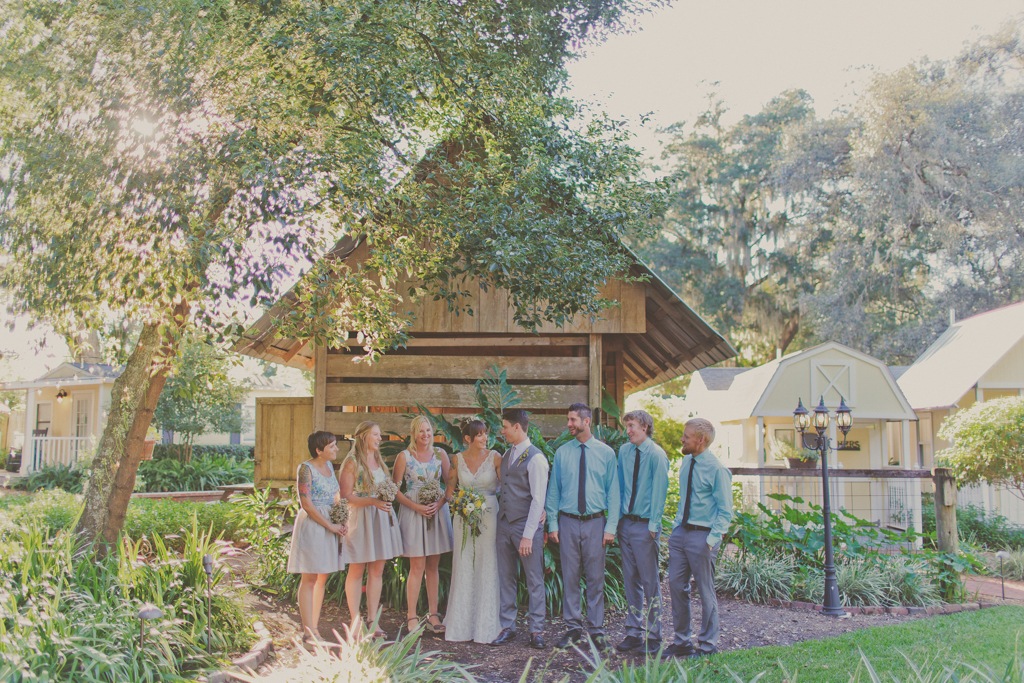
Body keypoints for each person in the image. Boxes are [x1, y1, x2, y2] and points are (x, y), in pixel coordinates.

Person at [546, 403, 620, 650]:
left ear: (586, 421)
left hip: (596, 523)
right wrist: (553, 523)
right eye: (568, 419)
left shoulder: (606, 453)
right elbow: (554, 490)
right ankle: (573, 628)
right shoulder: (562, 453)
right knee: (570, 576)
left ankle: (597, 630)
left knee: (595, 577)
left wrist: (611, 527)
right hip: (567, 522)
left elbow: (614, 492)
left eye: (573, 419)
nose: (569, 424)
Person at [665, 418, 733, 658]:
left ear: (701, 440)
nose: (682, 439)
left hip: (703, 537)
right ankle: (682, 642)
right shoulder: (686, 462)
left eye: (686, 435)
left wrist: (711, 540)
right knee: (675, 586)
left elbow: (726, 511)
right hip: (681, 534)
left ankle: (707, 645)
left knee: (705, 592)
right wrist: (675, 528)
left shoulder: (717, 469)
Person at [491, 408, 549, 650]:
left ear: (517, 427)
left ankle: (536, 630)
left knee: (534, 579)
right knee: (506, 577)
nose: (501, 431)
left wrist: (528, 535)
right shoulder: (507, 454)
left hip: (526, 528)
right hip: (503, 525)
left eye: (504, 426)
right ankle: (508, 627)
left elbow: (538, 500)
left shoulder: (536, 458)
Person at [339, 421, 404, 638]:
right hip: (361, 518)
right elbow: (347, 496)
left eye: (379, 434)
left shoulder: (377, 460)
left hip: (380, 519)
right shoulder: (352, 462)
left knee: (377, 571)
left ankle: (373, 620)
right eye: (375, 435)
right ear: (364, 436)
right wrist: (373, 502)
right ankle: (355, 619)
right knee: (357, 570)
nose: (379, 438)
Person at [614, 410, 670, 654]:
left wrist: (653, 525)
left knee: (650, 582)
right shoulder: (624, 452)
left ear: (645, 427)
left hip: (646, 526)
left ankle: (654, 635)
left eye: (632, 425)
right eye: (626, 426)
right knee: (630, 581)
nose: (628, 431)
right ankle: (634, 632)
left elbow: (660, 491)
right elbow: (619, 486)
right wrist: (616, 522)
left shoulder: (657, 455)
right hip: (626, 524)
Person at [443, 419, 503, 643]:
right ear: (467, 438)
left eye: (485, 433)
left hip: (489, 515)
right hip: (464, 517)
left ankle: (485, 624)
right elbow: (450, 490)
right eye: (479, 435)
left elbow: (506, 486)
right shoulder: (457, 460)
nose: (484, 438)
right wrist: (459, 502)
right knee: (464, 562)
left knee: (488, 562)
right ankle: (461, 624)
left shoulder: (496, 457)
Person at [393, 416, 454, 635]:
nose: (425, 435)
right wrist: (416, 507)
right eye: (421, 431)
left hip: (436, 513)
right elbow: (395, 490)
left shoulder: (440, 455)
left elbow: (450, 485)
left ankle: (434, 614)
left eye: (428, 430)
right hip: (414, 513)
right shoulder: (404, 457)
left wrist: (439, 504)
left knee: (433, 566)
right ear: (414, 433)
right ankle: (411, 615)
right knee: (417, 566)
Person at [286, 430, 348, 644]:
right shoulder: (306, 469)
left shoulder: (330, 467)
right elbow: (307, 504)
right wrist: (329, 525)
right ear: (318, 450)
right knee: (310, 577)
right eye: (332, 446)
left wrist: (342, 519)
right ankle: (308, 631)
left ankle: (314, 625)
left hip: (330, 523)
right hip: (314, 526)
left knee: (322, 576)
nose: (336, 449)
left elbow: (337, 495)